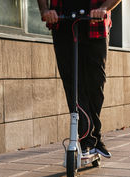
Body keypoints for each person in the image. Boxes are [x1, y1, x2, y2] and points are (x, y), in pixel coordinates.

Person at [37, 0, 121, 158]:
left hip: (95, 22)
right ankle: (86, 140)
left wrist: (104, 8)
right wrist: (45, 10)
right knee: (72, 83)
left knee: (95, 83)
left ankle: (94, 137)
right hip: (62, 22)